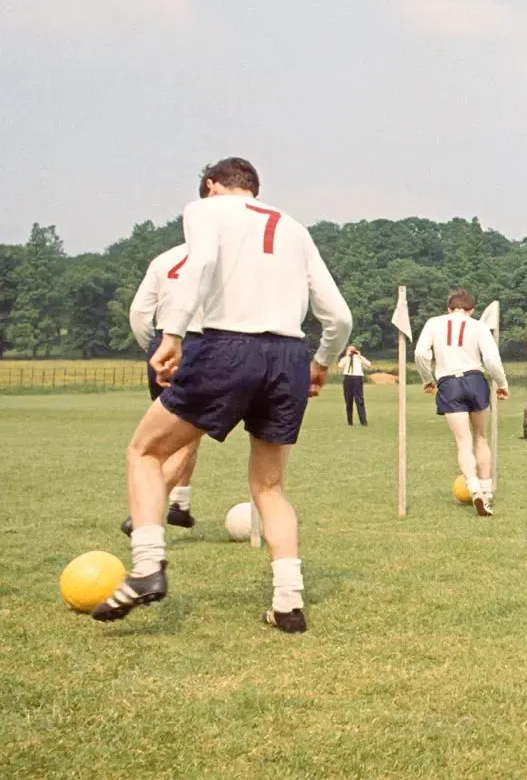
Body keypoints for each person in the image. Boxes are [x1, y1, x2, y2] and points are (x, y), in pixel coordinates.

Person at [92, 157, 353, 636]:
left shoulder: (204, 210)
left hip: (227, 348)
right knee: (270, 487)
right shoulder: (293, 226)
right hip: (289, 356)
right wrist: (319, 363)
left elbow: (202, 264)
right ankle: (288, 604)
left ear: (212, 185)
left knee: (145, 451)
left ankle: (148, 565)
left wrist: (172, 333)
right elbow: (339, 316)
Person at [119, 241, 206, 537]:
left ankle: (180, 506)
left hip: (163, 341)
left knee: (171, 431)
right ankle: (143, 514)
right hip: (202, 344)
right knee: (190, 433)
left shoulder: (163, 258)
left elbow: (139, 314)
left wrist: (154, 349)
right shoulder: (225, 256)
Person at [415, 288, 510, 516]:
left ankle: (473, 486)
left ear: (449, 308)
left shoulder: (434, 323)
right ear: (471, 310)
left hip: (449, 383)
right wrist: (502, 383)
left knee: (462, 440)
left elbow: (420, 353)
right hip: (475, 380)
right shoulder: (478, 325)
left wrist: (427, 379)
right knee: (481, 437)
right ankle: (486, 491)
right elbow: (491, 359)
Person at [338, 343, 371, 426]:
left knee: (359, 400)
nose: (351, 351)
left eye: (353, 349)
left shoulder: (359, 358)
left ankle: (363, 421)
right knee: (348, 401)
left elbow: (368, 364)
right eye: (349, 349)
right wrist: (347, 356)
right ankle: (350, 421)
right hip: (348, 378)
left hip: (357, 378)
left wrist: (359, 356)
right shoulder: (345, 359)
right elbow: (340, 365)